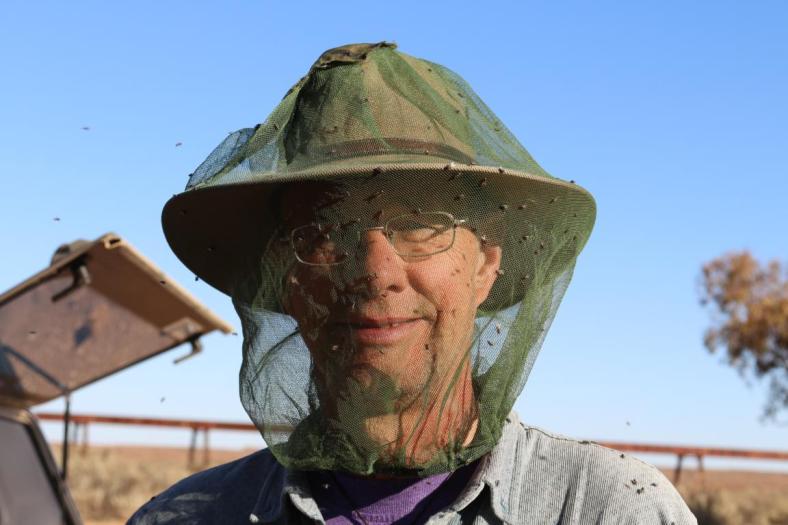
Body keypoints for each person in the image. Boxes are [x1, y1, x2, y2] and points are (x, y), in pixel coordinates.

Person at [130, 42, 696, 524]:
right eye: (327, 232)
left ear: (486, 263)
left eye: (419, 225)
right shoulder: (188, 516)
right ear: (284, 278)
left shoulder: (609, 509)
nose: (376, 272)